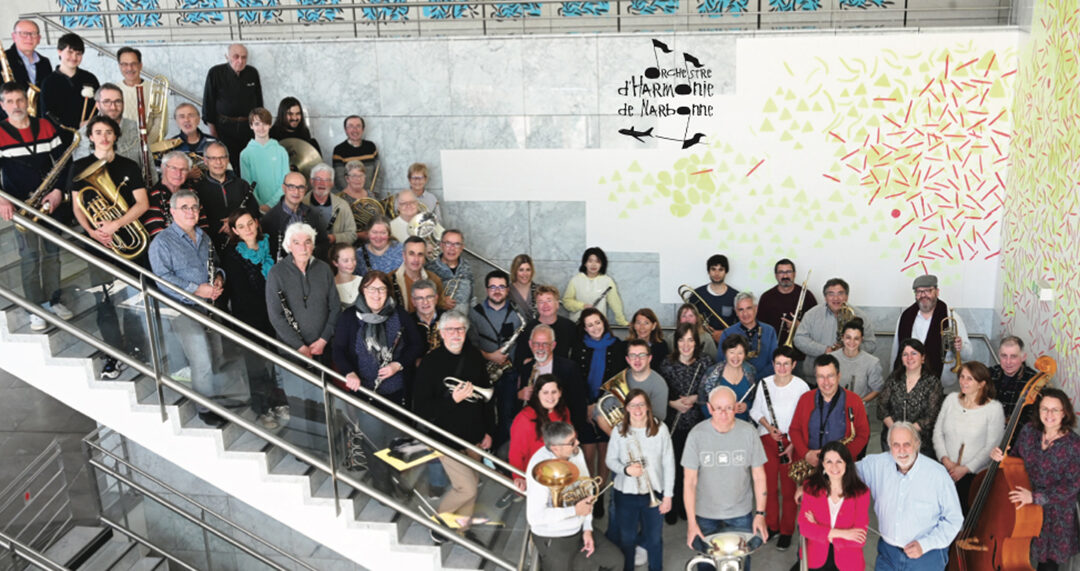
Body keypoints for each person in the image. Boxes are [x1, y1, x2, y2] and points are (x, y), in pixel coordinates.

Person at [69, 115, 150, 379]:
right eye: (98, 132)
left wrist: (116, 224)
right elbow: (78, 206)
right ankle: (113, 355)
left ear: (115, 136)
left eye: (108, 132)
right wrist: (92, 231)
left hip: (128, 243)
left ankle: (137, 350)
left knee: (132, 298)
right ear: (90, 137)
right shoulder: (79, 166)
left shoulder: (129, 165)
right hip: (99, 244)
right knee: (103, 300)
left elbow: (142, 204)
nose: (103, 137)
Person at [148, 190, 232, 426]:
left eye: (194, 207)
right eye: (184, 207)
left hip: (209, 306)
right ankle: (205, 408)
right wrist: (196, 289)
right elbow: (162, 279)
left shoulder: (204, 237)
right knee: (202, 359)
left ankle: (214, 398)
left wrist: (218, 279)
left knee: (216, 355)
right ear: (173, 212)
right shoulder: (161, 242)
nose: (191, 212)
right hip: (183, 309)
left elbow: (216, 264)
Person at [332, 269, 420, 483]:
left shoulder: (398, 314)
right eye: (371, 289)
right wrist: (349, 372)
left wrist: (397, 365)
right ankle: (382, 484)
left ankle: (399, 479)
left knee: (398, 440)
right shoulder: (349, 317)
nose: (377, 294)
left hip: (396, 391)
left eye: (381, 288)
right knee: (374, 441)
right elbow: (338, 349)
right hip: (366, 393)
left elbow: (418, 344)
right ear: (363, 290)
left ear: (388, 291)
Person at [413, 311, 494, 542]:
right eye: (450, 330)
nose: (455, 334)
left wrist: (488, 431)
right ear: (441, 333)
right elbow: (421, 409)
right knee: (465, 488)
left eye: (460, 329)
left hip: (475, 435)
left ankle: (461, 530)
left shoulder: (474, 356)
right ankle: (438, 523)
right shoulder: (430, 363)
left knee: (473, 485)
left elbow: (486, 397)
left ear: (466, 332)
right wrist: (452, 400)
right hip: (446, 438)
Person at [0, 81, 71, 331]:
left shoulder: (45, 126)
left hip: (49, 204)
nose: (16, 106)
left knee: (53, 254)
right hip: (20, 207)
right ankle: (35, 308)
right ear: (2, 105)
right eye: (9, 102)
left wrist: (58, 192)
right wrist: (2, 199)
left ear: (26, 101)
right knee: (30, 257)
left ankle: (54, 300)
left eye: (19, 100)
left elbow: (63, 162)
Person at [990, 388, 1080, 571]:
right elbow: (1015, 459)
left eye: (1055, 410)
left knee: (1047, 565)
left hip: (1055, 515)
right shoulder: (1029, 431)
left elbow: (1073, 486)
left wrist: (1035, 497)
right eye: (1044, 408)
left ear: (1065, 413)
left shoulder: (1074, 444)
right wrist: (1002, 458)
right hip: (1024, 508)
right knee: (1017, 556)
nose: (1049, 414)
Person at [857, 422, 963, 570]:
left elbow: (954, 519)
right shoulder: (876, 465)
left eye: (907, 444)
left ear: (917, 444)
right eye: (896, 445)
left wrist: (925, 545)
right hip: (888, 554)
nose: (901, 450)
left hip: (926, 556)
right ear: (889, 445)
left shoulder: (938, 475)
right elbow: (844, 473)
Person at [683, 386, 769, 568]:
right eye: (718, 408)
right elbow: (689, 482)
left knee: (740, 565)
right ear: (709, 407)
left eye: (729, 408)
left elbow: (759, 476)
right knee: (706, 566)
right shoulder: (696, 435)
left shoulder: (749, 433)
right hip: (705, 515)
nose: (723, 413)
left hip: (740, 514)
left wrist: (760, 514)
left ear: (736, 407)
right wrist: (691, 523)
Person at [220, 209, 287, 430]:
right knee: (256, 365)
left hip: (276, 315)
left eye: (250, 223)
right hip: (249, 318)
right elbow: (239, 292)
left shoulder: (274, 246)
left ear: (257, 223)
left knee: (279, 362)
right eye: (241, 226)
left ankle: (280, 402)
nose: (248, 229)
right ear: (234, 231)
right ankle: (263, 408)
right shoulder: (233, 255)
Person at [526, 421, 623, 571]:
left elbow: (587, 490)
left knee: (615, 560)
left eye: (575, 438)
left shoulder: (575, 452)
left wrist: (587, 529)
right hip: (553, 536)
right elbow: (535, 517)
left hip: (578, 529)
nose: (577, 443)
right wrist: (574, 511)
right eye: (571, 442)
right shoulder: (539, 469)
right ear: (555, 448)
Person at [748, 346, 809, 549]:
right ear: (773, 364)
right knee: (770, 487)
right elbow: (755, 410)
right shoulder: (764, 383)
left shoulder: (801, 387)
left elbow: (804, 418)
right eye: (778, 363)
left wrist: (792, 441)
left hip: (792, 443)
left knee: (790, 488)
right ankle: (772, 525)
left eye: (786, 364)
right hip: (767, 439)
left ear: (793, 365)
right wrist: (769, 427)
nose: (781, 368)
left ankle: (787, 530)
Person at [605, 390, 674, 571]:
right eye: (633, 405)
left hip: (654, 492)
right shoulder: (619, 430)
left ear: (648, 407)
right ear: (626, 408)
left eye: (641, 404)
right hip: (625, 494)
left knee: (654, 539)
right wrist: (626, 470)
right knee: (627, 539)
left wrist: (668, 496)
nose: (638, 409)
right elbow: (610, 460)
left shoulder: (660, 429)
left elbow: (669, 464)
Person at [657, 323, 714, 524]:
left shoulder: (705, 362)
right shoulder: (667, 363)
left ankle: (688, 506)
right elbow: (659, 395)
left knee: (694, 468)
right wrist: (674, 404)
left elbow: (711, 390)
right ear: (676, 342)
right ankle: (672, 504)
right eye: (682, 340)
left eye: (691, 340)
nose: (686, 345)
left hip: (699, 424)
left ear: (697, 342)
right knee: (674, 466)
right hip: (674, 423)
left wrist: (694, 398)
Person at [572, 307, 626, 516]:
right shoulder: (579, 348)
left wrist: (600, 405)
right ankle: (588, 494)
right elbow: (575, 380)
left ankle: (601, 494)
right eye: (590, 324)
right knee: (587, 454)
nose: (594, 327)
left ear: (604, 323)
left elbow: (619, 379)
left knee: (605, 454)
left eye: (597, 322)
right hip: (583, 407)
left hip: (608, 407)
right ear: (584, 328)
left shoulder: (617, 346)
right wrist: (587, 404)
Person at [932, 361, 1004, 515]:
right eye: (962, 377)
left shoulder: (994, 409)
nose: (963, 382)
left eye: (969, 378)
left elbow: (991, 447)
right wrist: (946, 461)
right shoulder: (951, 399)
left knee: (965, 518)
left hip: (973, 476)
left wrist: (964, 469)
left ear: (982, 384)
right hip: (945, 469)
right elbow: (938, 432)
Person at [265, 222, 339, 368]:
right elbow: (275, 316)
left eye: (307, 242)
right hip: (291, 350)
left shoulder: (324, 269)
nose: (303, 248)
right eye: (296, 243)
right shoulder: (276, 273)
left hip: (323, 348)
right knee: (296, 391)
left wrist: (323, 340)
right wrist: (299, 347)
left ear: (313, 245)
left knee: (325, 389)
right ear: (289, 246)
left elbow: (335, 308)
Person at [515, 326, 590, 466]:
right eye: (536, 343)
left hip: (561, 432)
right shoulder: (526, 368)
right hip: (534, 433)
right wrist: (519, 395)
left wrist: (574, 432)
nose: (540, 348)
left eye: (545, 344)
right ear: (530, 344)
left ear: (553, 345)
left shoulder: (569, 367)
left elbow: (579, 402)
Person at [469, 269, 524, 449]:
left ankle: (504, 457)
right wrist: (490, 356)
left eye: (501, 287)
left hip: (510, 374)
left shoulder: (518, 314)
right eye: (493, 287)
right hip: (485, 372)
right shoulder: (475, 313)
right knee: (484, 416)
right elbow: (471, 347)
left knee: (508, 415)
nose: (497, 290)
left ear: (508, 290)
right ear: (486, 289)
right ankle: (487, 455)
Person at [797, 441, 870, 571]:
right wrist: (844, 534)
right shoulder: (810, 487)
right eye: (829, 461)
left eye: (839, 461)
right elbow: (804, 527)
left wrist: (820, 531)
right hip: (815, 559)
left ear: (847, 463)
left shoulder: (861, 493)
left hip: (848, 562)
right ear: (823, 464)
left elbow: (859, 539)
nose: (834, 467)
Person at [890, 274, 972, 388]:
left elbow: (968, 355)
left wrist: (960, 346)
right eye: (918, 292)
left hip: (941, 383)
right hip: (909, 381)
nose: (923, 295)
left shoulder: (951, 317)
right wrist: (893, 376)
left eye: (928, 291)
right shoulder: (905, 317)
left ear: (937, 292)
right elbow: (896, 350)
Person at [793, 278, 877, 379]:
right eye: (831, 294)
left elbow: (871, 344)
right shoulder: (812, 314)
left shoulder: (860, 316)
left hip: (849, 376)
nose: (836, 298)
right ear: (825, 297)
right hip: (815, 377)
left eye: (840, 293)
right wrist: (826, 350)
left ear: (846, 296)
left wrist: (848, 349)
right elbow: (799, 339)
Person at [202, 44, 262, 173]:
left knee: (249, 165)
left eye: (244, 57)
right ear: (227, 57)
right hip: (224, 128)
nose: (240, 61)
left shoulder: (252, 73)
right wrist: (214, 132)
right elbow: (208, 103)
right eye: (236, 57)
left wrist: (259, 129)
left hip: (248, 128)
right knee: (228, 166)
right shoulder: (215, 73)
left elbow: (259, 103)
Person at [877, 338, 943, 457]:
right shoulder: (893, 379)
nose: (909, 358)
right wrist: (896, 431)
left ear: (922, 358)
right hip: (893, 440)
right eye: (905, 354)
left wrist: (907, 432)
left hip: (921, 444)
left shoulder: (933, 383)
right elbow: (881, 408)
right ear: (901, 359)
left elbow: (932, 415)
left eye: (914, 353)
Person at [510, 373, 572, 489]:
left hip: (559, 472)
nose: (550, 397)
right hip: (535, 477)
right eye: (545, 392)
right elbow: (516, 453)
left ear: (560, 393)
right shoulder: (525, 418)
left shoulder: (564, 411)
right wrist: (519, 477)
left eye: (554, 392)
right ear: (537, 394)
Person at [194, 141, 256, 252]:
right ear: (205, 161)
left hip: (244, 243)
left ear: (227, 159)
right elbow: (195, 220)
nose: (218, 162)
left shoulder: (242, 184)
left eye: (222, 157)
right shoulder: (197, 189)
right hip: (213, 246)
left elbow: (254, 211)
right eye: (213, 158)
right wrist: (219, 226)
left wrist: (235, 222)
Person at [40, 33, 98, 144]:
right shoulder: (48, 82)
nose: (74, 58)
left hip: (89, 137)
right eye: (70, 52)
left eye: (78, 54)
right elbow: (46, 116)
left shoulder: (90, 78)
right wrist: (76, 125)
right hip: (61, 139)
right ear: (59, 51)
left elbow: (98, 106)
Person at [757, 258, 817, 364]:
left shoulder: (807, 296)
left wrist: (799, 326)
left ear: (794, 274)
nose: (785, 276)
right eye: (781, 272)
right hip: (774, 355)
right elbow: (760, 328)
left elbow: (817, 327)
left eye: (788, 272)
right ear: (776, 275)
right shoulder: (766, 298)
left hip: (800, 357)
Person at [73, 84, 142, 173]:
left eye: (118, 101)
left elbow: (148, 164)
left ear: (123, 103)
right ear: (97, 105)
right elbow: (81, 170)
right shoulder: (82, 134)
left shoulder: (136, 128)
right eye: (106, 102)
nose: (113, 107)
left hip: (133, 184)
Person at [261, 171, 328, 262]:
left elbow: (324, 243)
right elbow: (269, 254)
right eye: (291, 187)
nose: (296, 192)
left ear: (305, 189)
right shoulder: (269, 219)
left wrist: (309, 254)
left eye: (301, 187)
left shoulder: (312, 214)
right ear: (284, 188)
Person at [142, 151, 207, 239]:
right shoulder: (152, 196)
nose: (178, 174)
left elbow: (203, 227)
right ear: (163, 168)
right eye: (173, 168)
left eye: (183, 170)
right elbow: (157, 235)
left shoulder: (192, 193)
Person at [513, 285, 579, 368]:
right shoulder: (528, 329)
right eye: (540, 302)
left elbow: (577, 356)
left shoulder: (570, 327)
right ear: (537, 306)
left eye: (549, 300)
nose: (545, 305)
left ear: (557, 304)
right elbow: (519, 360)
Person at [719, 292, 778, 380]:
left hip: (765, 381)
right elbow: (722, 362)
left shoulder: (769, 331)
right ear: (736, 312)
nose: (745, 313)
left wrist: (756, 379)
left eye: (749, 308)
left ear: (756, 308)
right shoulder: (727, 333)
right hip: (735, 382)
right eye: (741, 310)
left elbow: (774, 361)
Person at [563, 247, 628, 326]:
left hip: (599, 326)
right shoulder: (575, 280)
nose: (593, 265)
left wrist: (622, 322)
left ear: (602, 264)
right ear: (585, 263)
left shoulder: (607, 281)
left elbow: (615, 303)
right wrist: (582, 306)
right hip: (578, 325)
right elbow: (566, 302)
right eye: (590, 261)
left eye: (597, 261)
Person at [115, 47, 164, 152]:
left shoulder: (154, 89)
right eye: (124, 64)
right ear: (119, 66)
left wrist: (146, 144)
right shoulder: (113, 90)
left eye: (134, 63)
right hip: (121, 148)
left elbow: (160, 121)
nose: (129, 68)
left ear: (140, 65)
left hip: (149, 148)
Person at [239, 107, 288, 211]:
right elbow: (247, 183)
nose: (261, 128)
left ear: (270, 125)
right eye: (257, 124)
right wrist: (259, 205)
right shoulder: (245, 154)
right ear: (251, 126)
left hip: (280, 204)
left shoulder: (281, 151)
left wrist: (270, 204)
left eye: (265, 123)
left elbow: (285, 181)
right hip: (257, 207)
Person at [699, 335, 756, 423]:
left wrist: (747, 405)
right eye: (732, 352)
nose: (736, 357)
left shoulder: (751, 371)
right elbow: (702, 402)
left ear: (745, 355)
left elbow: (756, 399)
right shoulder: (712, 372)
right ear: (725, 353)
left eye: (740, 353)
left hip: (744, 424)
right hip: (718, 425)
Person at [2, 20, 50, 122]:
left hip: (37, 123)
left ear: (39, 39)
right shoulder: (2, 61)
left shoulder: (45, 63)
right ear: (14, 36)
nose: (29, 38)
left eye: (33, 34)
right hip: (8, 124)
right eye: (24, 34)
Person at [827, 318, 883, 403]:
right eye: (848, 337)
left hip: (859, 411)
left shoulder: (872, 362)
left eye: (856, 338)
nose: (852, 342)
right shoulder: (830, 358)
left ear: (861, 339)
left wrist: (859, 402)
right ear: (842, 337)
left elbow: (877, 389)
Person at [301, 163, 355, 246]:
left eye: (326, 180)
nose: (322, 183)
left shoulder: (343, 205)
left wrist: (335, 238)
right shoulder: (300, 205)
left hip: (334, 255)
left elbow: (352, 235)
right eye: (318, 179)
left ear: (332, 183)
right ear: (311, 181)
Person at [391, 236, 447, 312]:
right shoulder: (389, 279)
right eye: (411, 254)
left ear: (424, 257)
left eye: (420, 254)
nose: (416, 259)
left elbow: (440, 309)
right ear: (404, 256)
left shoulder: (434, 280)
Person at [691, 254, 739, 341]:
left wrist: (724, 333)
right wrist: (701, 329)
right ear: (708, 271)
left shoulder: (735, 296)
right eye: (713, 269)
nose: (717, 273)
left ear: (726, 272)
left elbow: (742, 324)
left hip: (728, 343)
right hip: (702, 343)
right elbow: (688, 321)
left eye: (721, 269)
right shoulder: (697, 294)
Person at [990, 335, 1037, 420]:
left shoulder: (1033, 381)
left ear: (1023, 357)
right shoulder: (990, 373)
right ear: (999, 355)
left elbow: (1034, 419)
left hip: (1017, 432)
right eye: (1004, 356)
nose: (1008, 362)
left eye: (1013, 356)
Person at [425, 228, 473, 311]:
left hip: (464, 320)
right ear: (441, 245)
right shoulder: (429, 269)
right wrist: (439, 301)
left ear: (462, 247)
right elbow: (421, 299)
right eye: (448, 243)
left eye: (457, 244)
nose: (452, 248)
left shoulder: (467, 267)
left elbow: (472, 298)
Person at [331, 116, 378, 192]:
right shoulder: (339, 150)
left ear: (363, 129)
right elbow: (339, 178)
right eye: (351, 126)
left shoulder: (371, 146)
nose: (355, 130)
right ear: (346, 130)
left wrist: (374, 192)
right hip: (349, 197)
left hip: (370, 195)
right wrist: (353, 195)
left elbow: (378, 172)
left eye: (358, 126)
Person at [336, 160, 373, 242]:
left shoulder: (371, 195)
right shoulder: (339, 199)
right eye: (354, 176)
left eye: (361, 175)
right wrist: (359, 235)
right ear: (347, 178)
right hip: (349, 243)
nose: (358, 179)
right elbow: (337, 230)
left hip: (372, 240)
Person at [410, 279, 442, 356]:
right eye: (420, 298)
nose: (425, 302)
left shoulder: (449, 318)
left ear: (436, 298)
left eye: (429, 297)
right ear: (413, 301)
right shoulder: (407, 322)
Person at [329, 243, 361, 308]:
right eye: (345, 261)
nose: (351, 263)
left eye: (353, 259)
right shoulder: (330, 287)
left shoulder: (362, 281)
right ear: (335, 263)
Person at [508, 254, 539, 319]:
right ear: (515, 271)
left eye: (528, 270)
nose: (525, 274)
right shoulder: (506, 291)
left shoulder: (540, 290)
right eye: (521, 270)